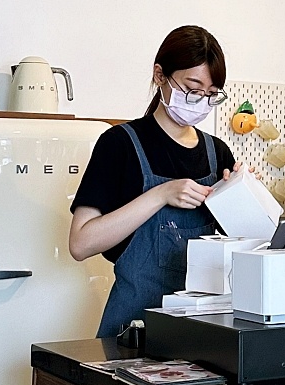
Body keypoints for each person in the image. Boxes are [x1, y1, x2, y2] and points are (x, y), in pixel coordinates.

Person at [69, 26, 237, 336]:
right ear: (160, 75)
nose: (200, 101)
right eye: (192, 88)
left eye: (211, 95)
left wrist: (240, 194)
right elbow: (81, 243)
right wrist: (160, 195)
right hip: (136, 330)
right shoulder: (119, 144)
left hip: (204, 330)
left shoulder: (218, 153)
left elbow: (247, 247)